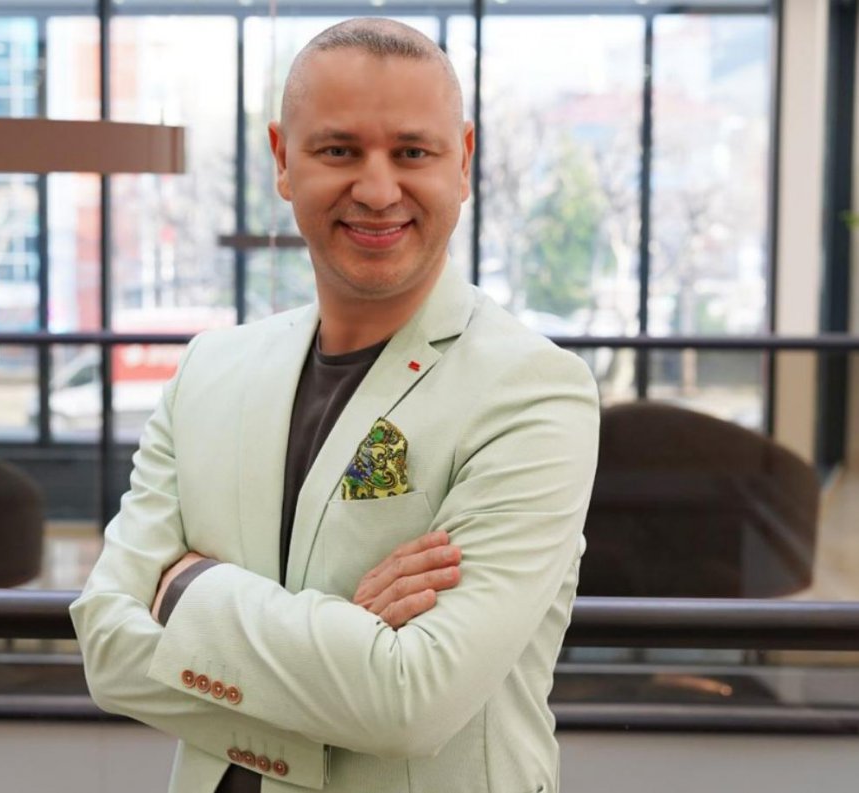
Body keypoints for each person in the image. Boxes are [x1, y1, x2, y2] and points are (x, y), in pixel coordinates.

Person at [71, 17, 599, 793]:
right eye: (339, 151)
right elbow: (108, 649)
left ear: (463, 161)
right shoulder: (211, 369)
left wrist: (187, 590)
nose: (378, 191)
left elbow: (411, 702)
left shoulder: (533, 389)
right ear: (284, 161)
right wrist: (350, 639)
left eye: (412, 152)